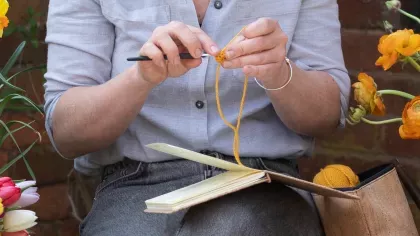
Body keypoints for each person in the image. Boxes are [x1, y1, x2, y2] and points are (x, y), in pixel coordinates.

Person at [44, 0, 350, 235]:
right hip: (134, 183)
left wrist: (280, 73)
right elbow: (66, 132)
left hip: (262, 179)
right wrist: (140, 79)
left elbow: (326, 117)